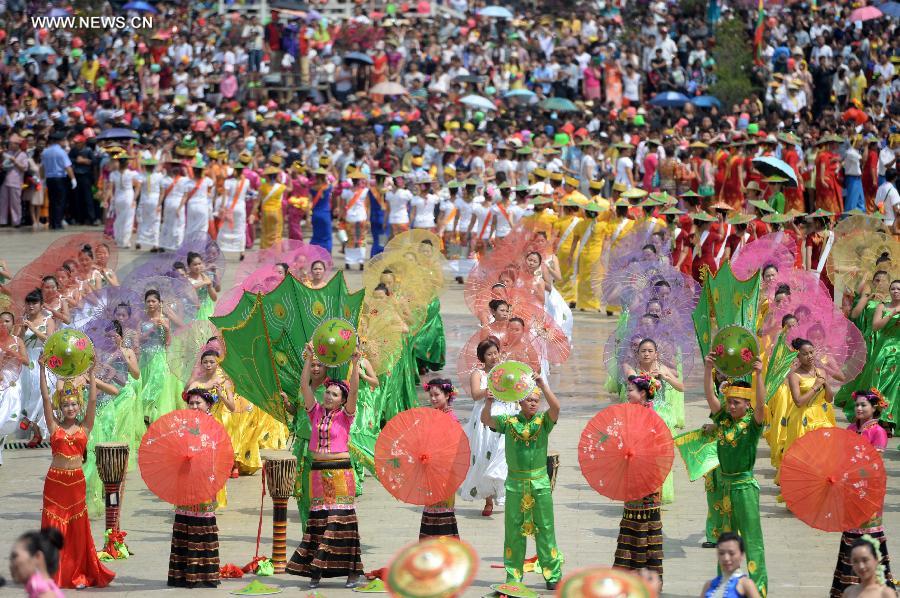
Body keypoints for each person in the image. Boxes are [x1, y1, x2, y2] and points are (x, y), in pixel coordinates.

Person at [286, 348, 364, 589]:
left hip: (340, 471)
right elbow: (304, 386)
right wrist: (309, 359)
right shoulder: (316, 412)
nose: (328, 397)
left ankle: (352, 571)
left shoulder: (346, 416)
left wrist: (355, 363)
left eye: (334, 394)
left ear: (342, 399)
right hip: (317, 471)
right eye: (327, 393)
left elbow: (355, 390)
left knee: (340, 521)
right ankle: (316, 570)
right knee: (318, 519)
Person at [37, 360, 115, 589]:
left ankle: (78, 571)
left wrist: (91, 374)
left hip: (76, 483)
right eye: (66, 405)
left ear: (78, 406)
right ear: (60, 407)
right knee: (53, 528)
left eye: (73, 404)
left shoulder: (85, 427)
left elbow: (92, 399)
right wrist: (42, 369)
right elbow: (44, 398)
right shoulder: (54, 427)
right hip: (55, 484)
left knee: (77, 530)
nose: (70, 408)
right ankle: (53, 573)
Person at [481, 374, 563, 590]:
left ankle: (552, 573)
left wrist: (544, 385)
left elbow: (556, 408)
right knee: (514, 530)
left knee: (545, 528)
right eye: (529, 400)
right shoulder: (509, 422)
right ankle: (513, 574)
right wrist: (489, 402)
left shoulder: (543, 422)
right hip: (515, 484)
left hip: (539, 483)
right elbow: (486, 420)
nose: (534, 403)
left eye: (536, 400)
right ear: (520, 401)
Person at [702, 354, 768, 597]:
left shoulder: (753, 424)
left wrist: (758, 375)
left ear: (747, 405)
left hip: (744, 488)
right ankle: (725, 588)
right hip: (724, 488)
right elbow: (710, 397)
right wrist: (709, 369)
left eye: (736, 403)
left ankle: (758, 590)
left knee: (751, 541)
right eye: (729, 402)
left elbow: (761, 405)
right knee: (725, 542)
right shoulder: (723, 420)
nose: (730, 406)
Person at [831, 390, 895, 596]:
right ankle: (847, 589)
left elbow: (873, 465)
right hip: (850, 490)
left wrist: (849, 471)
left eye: (863, 405)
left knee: (869, 534)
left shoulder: (878, 432)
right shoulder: (850, 429)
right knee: (850, 532)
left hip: (870, 491)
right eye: (857, 405)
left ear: (874, 408)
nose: (859, 408)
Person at [167, 387, 233, 588]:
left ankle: (204, 575)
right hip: (184, 480)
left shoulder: (214, 426)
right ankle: (181, 575)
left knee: (202, 524)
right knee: (184, 522)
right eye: (191, 403)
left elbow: (220, 456)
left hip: (204, 480)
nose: (194, 406)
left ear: (208, 405)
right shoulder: (182, 425)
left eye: (198, 403)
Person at [458, 338, 518, 516]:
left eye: (495, 352)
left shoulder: (505, 370)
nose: (493, 357)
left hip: (505, 415)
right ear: (482, 357)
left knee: (503, 455)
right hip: (485, 416)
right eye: (489, 354)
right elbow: (476, 395)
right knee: (484, 455)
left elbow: (515, 389)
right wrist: (488, 391)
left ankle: (504, 494)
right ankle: (488, 500)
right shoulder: (478, 374)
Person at [614, 374, 665, 579]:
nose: (627, 394)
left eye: (630, 391)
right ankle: (630, 575)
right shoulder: (630, 414)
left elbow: (658, 448)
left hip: (647, 477)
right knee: (630, 520)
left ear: (643, 393)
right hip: (631, 475)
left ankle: (647, 576)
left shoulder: (652, 417)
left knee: (646, 523)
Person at [419, 378, 461, 540]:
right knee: (432, 510)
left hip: (444, 472)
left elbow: (453, 448)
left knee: (442, 511)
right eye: (431, 396)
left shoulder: (450, 418)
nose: (433, 399)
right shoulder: (434, 415)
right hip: (431, 471)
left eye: (437, 395)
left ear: (447, 395)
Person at [783, 337, 836, 457]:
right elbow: (798, 402)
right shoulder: (795, 376)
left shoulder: (821, 372)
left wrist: (825, 383)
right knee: (804, 454)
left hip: (821, 416)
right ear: (798, 356)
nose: (810, 356)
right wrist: (816, 386)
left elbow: (829, 399)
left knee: (823, 454)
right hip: (803, 417)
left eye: (811, 352)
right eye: (805, 354)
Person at [18, 290, 56, 447]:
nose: (31, 306)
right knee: (28, 394)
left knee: (44, 394)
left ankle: (30, 419)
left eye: (34, 303)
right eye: (28, 303)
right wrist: (21, 327)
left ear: (41, 305)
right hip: (28, 362)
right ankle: (36, 433)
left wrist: (33, 328)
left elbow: (50, 340)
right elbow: (18, 341)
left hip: (43, 359)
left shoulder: (48, 320)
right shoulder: (23, 320)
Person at [0, 311, 27, 466]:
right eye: (1, 321)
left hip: (13, 384)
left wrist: (12, 352)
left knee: (8, 418)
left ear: (13, 323)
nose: (4, 324)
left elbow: (26, 360)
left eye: (7, 321)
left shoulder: (17, 341)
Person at [700, 532, 762, 598]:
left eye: (731, 553)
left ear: (742, 555)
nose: (726, 558)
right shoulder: (708, 585)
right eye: (721, 553)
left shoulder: (746, 585)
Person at [8, 528, 65, 598]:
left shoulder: (45, 595)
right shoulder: (42, 590)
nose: (11, 564)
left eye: (15, 556)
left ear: (37, 557)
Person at [39, 131, 76, 230]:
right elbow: (68, 167)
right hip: (60, 179)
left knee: (52, 201)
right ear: (60, 141)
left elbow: (41, 167)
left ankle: (52, 223)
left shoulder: (45, 152)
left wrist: (42, 179)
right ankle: (57, 223)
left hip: (49, 179)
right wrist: (73, 179)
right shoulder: (61, 152)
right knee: (60, 202)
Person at [107, 153, 141, 249]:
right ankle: (125, 241)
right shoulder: (132, 173)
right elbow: (138, 186)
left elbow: (110, 189)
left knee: (118, 219)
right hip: (128, 196)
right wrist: (135, 198)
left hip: (118, 197)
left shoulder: (113, 174)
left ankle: (118, 240)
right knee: (128, 220)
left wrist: (111, 199)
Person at [135, 158, 164, 252]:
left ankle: (139, 241)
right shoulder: (160, 176)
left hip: (144, 200)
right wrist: (160, 204)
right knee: (155, 222)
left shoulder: (141, 176)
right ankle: (155, 243)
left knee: (142, 220)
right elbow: (162, 191)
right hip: (155, 200)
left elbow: (138, 188)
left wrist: (134, 199)